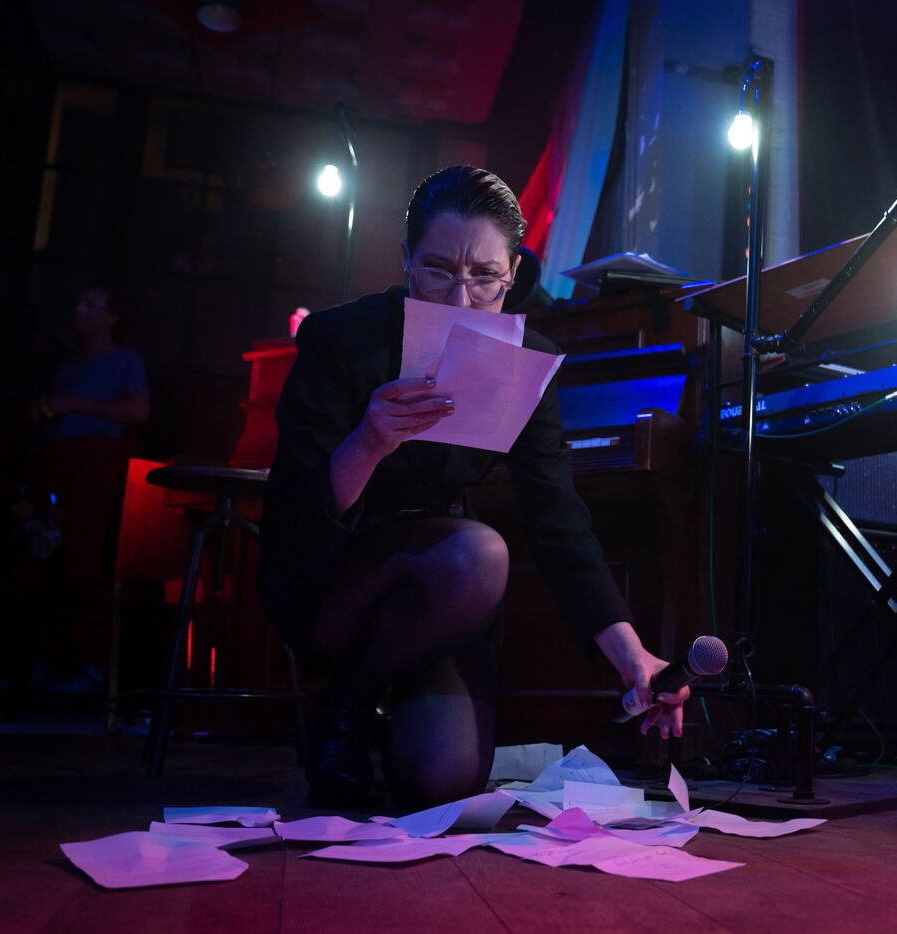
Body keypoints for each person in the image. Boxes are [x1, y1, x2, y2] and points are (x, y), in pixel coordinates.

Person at [259, 165, 688, 808]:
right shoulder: (339, 339)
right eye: (437, 270)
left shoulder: (525, 359)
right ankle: (345, 707)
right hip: (337, 577)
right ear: (406, 260)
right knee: (481, 550)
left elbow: (558, 518)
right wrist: (368, 442)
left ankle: (363, 698)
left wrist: (634, 658)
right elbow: (294, 515)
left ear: (512, 273)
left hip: (448, 593)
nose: (460, 300)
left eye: (485, 277)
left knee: (443, 783)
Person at [24, 285, 149, 693]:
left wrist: (74, 403)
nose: (79, 308)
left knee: (84, 555)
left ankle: (89, 664)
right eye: (79, 301)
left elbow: (138, 411)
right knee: (48, 553)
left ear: (111, 318)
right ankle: (46, 660)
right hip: (58, 461)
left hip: (95, 463)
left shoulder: (124, 359)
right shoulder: (68, 365)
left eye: (91, 304)